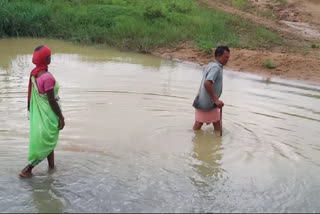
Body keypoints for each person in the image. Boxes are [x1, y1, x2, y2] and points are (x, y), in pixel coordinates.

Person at [20, 45, 65, 178]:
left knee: (48, 141)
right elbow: (51, 101)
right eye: (49, 56)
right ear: (45, 59)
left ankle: (51, 167)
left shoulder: (35, 73)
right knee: (46, 143)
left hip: (42, 115)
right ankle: (27, 170)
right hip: (49, 115)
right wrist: (61, 117)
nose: (51, 58)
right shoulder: (47, 77)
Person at [192, 46, 230, 132]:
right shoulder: (216, 68)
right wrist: (215, 100)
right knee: (199, 124)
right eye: (226, 57)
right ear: (218, 56)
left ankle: (217, 140)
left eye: (228, 57)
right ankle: (217, 142)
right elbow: (207, 83)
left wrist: (215, 100)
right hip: (207, 102)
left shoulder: (211, 65)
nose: (227, 59)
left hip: (205, 100)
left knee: (215, 122)